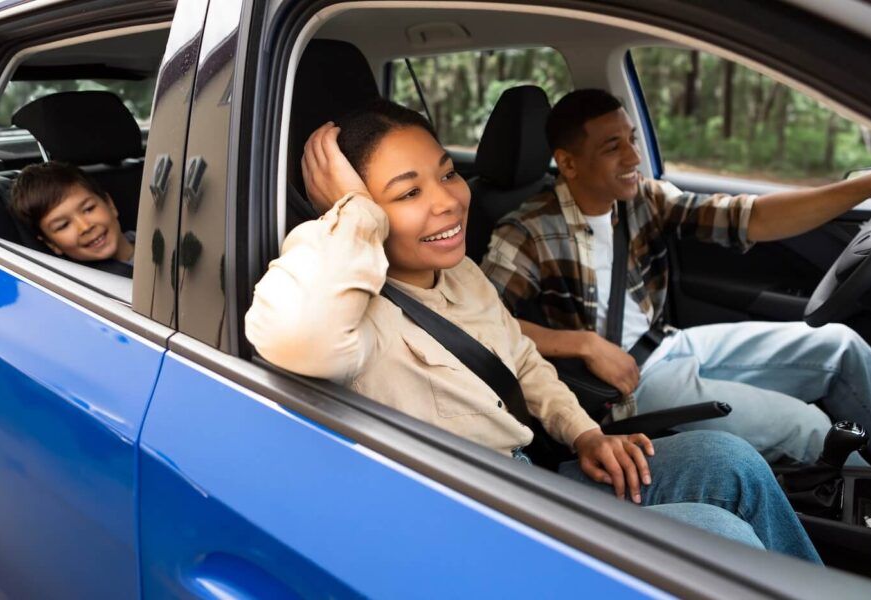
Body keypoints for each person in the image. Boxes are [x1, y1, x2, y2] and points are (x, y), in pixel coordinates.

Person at [245, 99, 821, 562]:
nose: (447, 200)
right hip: (478, 523)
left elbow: (521, 360)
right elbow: (298, 338)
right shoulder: (347, 305)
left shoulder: (462, 274)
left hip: (532, 476)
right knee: (718, 536)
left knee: (729, 459)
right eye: (408, 192)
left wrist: (585, 435)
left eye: (447, 173)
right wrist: (350, 213)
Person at [480, 89, 871, 467]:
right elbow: (482, 325)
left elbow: (749, 218)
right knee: (810, 428)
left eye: (632, 139)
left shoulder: (641, 197)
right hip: (626, 389)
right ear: (569, 163)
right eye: (613, 147)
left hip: (670, 342)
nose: (633, 157)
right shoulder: (526, 230)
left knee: (838, 345)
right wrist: (583, 344)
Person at [10, 161, 134, 266]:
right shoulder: (79, 288)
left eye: (89, 209)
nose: (85, 227)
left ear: (110, 204)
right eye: (63, 225)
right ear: (51, 243)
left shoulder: (148, 236)